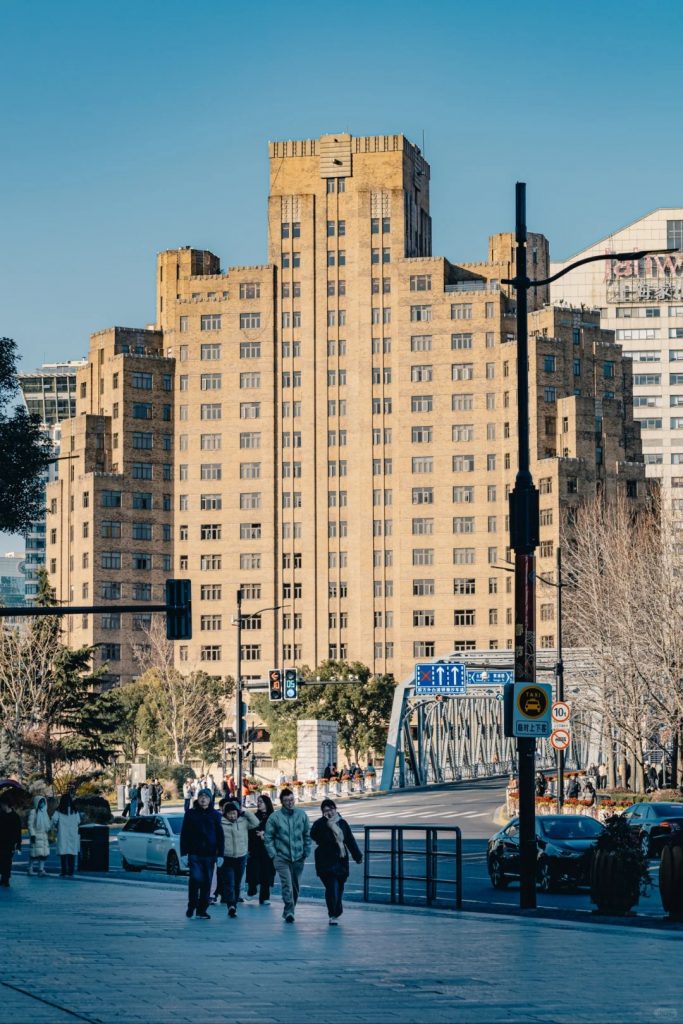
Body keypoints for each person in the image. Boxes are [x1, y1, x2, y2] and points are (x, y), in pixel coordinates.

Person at [310, 798, 362, 925]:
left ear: (335, 809)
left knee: (339, 887)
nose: (329, 812)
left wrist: (357, 856)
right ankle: (333, 913)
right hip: (325, 861)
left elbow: (349, 840)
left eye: (331, 809)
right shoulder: (320, 824)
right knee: (332, 886)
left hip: (341, 860)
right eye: (326, 810)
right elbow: (314, 836)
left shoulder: (342, 823)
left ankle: (336, 911)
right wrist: (326, 824)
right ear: (322, 812)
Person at [264, 787, 311, 923]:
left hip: (298, 857)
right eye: (286, 800)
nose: (290, 802)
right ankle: (289, 910)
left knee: (296, 886)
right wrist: (273, 855)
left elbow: (307, 834)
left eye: (291, 799)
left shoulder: (301, 814)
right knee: (287, 885)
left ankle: (289, 910)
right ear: (282, 802)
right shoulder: (275, 817)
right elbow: (268, 837)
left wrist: (306, 851)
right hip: (281, 857)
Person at [180, 788, 224, 920]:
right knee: (196, 879)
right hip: (195, 854)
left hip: (210, 855)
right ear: (197, 799)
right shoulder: (191, 814)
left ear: (210, 800)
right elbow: (185, 834)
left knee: (206, 883)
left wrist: (220, 854)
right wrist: (183, 853)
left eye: (206, 797)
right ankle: (192, 905)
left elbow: (220, 836)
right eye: (201, 796)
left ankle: (202, 910)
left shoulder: (215, 815)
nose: (203, 799)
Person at [218, 800, 259, 917]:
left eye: (234, 813)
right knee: (229, 882)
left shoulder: (243, 822)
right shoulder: (221, 823)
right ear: (225, 814)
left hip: (241, 857)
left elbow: (256, 822)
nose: (232, 815)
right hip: (227, 858)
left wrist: (245, 812)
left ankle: (234, 905)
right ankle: (230, 905)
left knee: (236, 883)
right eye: (230, 813)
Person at [246, 794, 276, 905]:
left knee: (267, 872)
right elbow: (249, 830)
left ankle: (265, 897)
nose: (258, 803)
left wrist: (265, 833)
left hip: (268, 849)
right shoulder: (254, 816)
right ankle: (252, 890)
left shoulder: (273, 817)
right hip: (255, 847)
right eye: (258, 801)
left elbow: (277, 832)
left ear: (267, 803)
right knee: (253, 869)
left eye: (261, 801)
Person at [51, 793, 81, 877]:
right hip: (73, 834)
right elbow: (78, 821)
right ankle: (71, 871)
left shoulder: (59, 810)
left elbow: (54, 820)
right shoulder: (75, 811)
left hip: (62, 833)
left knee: (63, 853)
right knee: (72, 853)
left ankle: (64, 871)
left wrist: (55, 827)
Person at [0, 797, 22, 887]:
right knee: (1, 860)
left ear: (6, 805)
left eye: (2, 804)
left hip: (10, 842)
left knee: (7, 861)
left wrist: (18, 843)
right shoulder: (1, 815)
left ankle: (6, 878)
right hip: (1, 841)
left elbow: (18, 831)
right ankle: (3, 877)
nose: (1, 806)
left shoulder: (15, 816)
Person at [28, 795, 51, 876]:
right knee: (33, 854)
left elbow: (48, 824)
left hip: (44, 835)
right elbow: (30, 825)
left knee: (43, 854)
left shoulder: (44, 812)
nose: (42, 803)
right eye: (40, 802)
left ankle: (41, 870)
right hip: (36, 836)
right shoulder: (33, 812)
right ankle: (30, 869)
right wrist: (32, 835)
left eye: (43, 802)